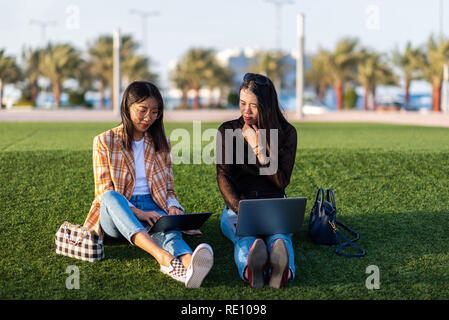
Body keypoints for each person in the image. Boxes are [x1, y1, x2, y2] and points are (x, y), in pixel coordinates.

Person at [83, 80, 213, 288]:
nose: (148, 117)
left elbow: (168, 188)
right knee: (110, 197)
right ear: (127, 106)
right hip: (119, 211)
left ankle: (190, 267)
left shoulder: (162, 143)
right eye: (143, 110)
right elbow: (103, 192)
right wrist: (140, 214)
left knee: (170, 231)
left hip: (154, 205)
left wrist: (172, 207)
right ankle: (162, 257)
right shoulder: (104, 141)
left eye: (155, 112)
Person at [216, 73, 298, 289]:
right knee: (245, 236)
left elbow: (280, 181)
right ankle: (251, 271)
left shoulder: (287, 133)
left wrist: (257, 146)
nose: (246, 111)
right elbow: (223, 176)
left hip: (275, 206)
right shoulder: (228, 130)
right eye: (242, 103)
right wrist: (240, 210)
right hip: (239, 206)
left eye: (253, 105)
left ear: (267, 105)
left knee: (279, 238)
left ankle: (283, 272)